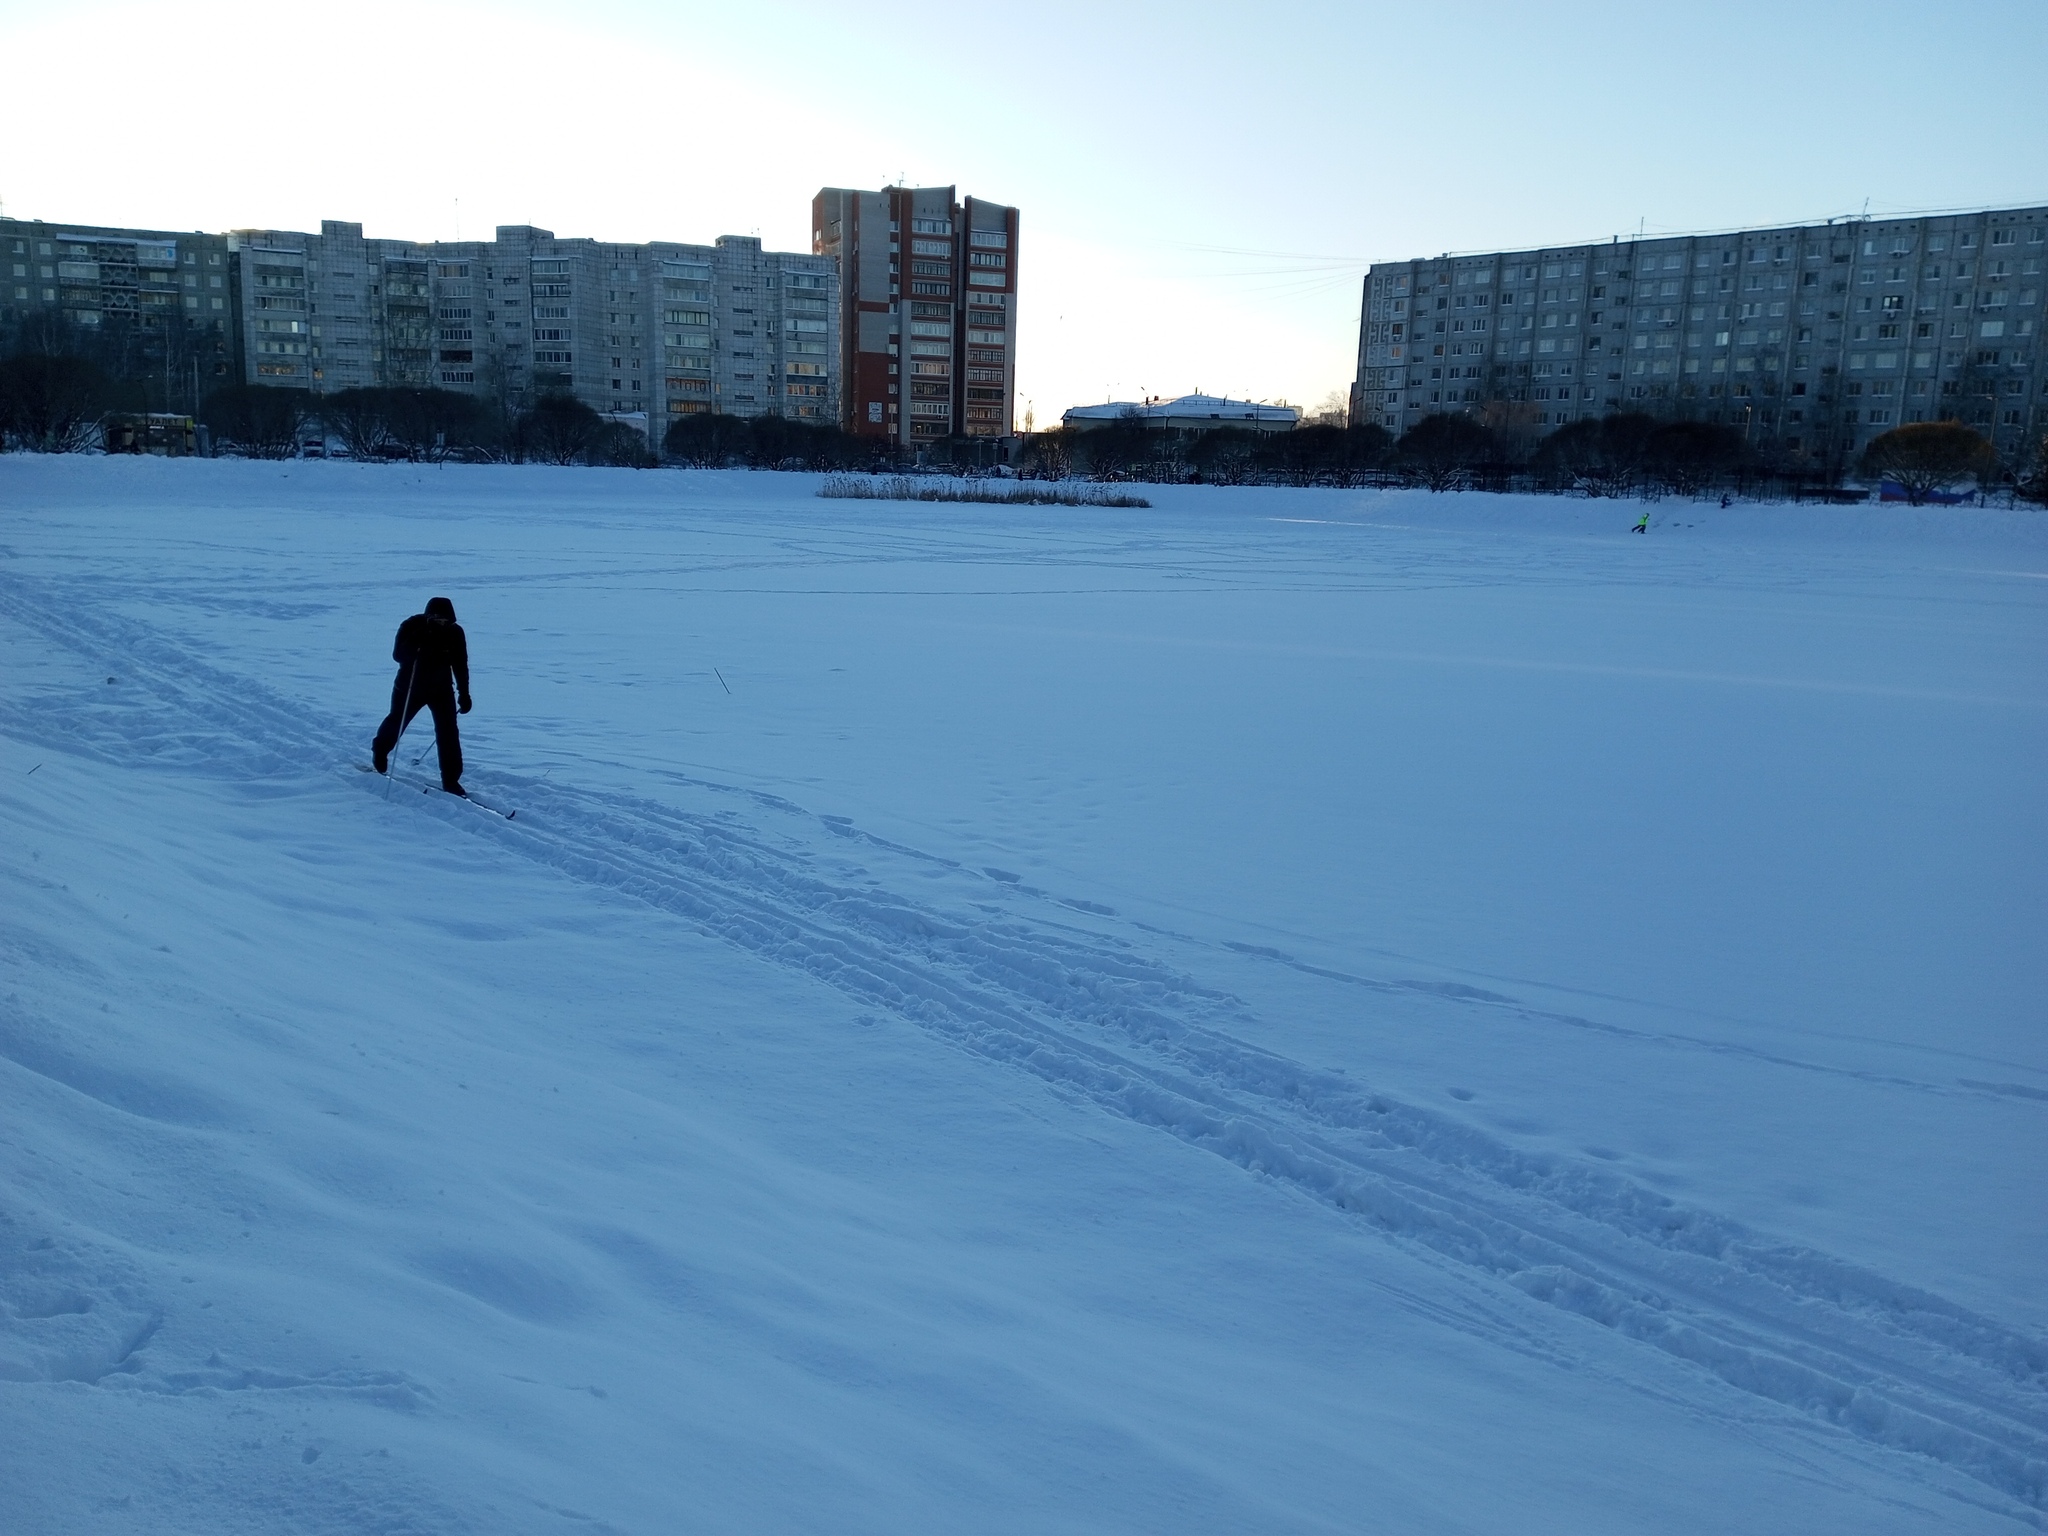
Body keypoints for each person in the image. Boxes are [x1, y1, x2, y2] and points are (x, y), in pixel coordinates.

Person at [371, 596, 472, 795]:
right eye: (437, 620)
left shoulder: (455, 633)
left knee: (448, 732)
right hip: (410, 687)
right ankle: (380, 751)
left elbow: (460, 664)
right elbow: (398, 655)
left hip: (441, 689)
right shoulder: (412, 626)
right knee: (397, 721)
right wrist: (416, 639)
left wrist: (464, 693)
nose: (441, 624)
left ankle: (451, 779)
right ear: (428, 617)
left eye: (445, 621)